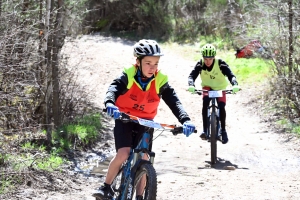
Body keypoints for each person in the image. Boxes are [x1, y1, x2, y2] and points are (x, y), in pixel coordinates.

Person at [93, 39, 196, 200]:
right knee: (124, 153)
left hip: (146, 122)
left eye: (156, 63)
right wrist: (110, 103)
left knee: (145, 157)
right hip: (124, 118)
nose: (152, 68)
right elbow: (113, 89)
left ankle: (141, 196)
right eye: (148, 63)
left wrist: (186, 120)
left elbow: (174, 101)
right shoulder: (128, 74)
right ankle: (106, 187)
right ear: (138, 62)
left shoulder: (160, 79)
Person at [187, 44, 240, 144]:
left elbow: (230, 75)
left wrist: (235, 84)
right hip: (207, 87)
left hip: (220, 87)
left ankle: (223, 131)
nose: (207, 61)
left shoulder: (220, 63)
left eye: (210, 59)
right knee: (205, 102)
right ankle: (205, 130)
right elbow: (192, 76)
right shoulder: (200, 64)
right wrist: (191, 85)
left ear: (214, 57)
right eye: (205, 59)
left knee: (221, 106)